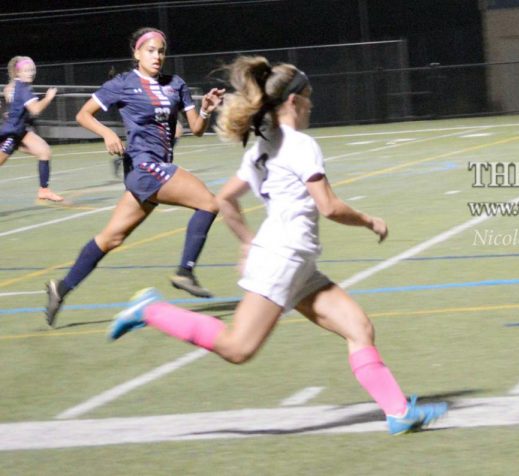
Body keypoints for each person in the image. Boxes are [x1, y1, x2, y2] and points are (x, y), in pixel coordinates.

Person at [108, 55, 448, 435]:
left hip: (296, 263)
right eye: (309, 97)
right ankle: (152, 310)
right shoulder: (300, 144)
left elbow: (225, 199)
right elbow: (329, 207)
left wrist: (247, 243)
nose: (312, 105)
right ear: (293, 102)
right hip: (283, 259)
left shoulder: (261, 147)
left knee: (359, 328)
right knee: (238, 348)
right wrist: (370, 221)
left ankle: (398, 412)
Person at [44, 27, 226, 327]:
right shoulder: (123, 84)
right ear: (137, 53)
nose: (157, 56)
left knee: (111, 238)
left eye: (162, 50)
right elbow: (83, 115)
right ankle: (185, 271)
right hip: (143, 168)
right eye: (151, 50)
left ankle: (60, 289)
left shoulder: (175, 84)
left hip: (152, 171)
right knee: (208, 202)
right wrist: (106, 133)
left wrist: (206, 109)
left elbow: (197, 129)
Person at [0, 56, 65, 201]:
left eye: (31, 70)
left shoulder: (17, 85)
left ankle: (44, 190)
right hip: (9, 134)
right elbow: (35, 109)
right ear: (18, 73)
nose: (30, 73)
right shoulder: (23, 89)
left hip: (19, 131)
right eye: (26, 70)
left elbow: (10, 94)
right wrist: (48, 97)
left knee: (44, 151)